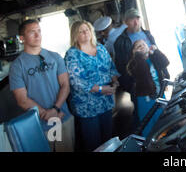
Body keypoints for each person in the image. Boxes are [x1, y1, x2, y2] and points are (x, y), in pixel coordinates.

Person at [9, 19, 74, 152]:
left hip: (63, 117)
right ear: (22, 38)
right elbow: (22, 100)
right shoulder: (17, 66)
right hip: (41, 124)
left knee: (65, 149)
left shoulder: (55, 57)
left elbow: (65, 84)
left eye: (39, 31)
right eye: (32, 32)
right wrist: (48, 114)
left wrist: (55, 109)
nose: (38, 35)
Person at [64, 20, 120, 152]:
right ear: (75, 35)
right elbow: (76, 81)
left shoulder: (100, 48)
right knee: (93, 143)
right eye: (81, 31)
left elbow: (111, 67)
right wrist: (101, 89)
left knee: (108, 140)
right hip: (87, 107)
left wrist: (115, 82)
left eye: (87, 30)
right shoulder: (72, 54)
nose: (85, 33)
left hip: (105, 102)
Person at [126, 39, 170, 137]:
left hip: (159, 94)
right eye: (138, 46)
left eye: (143, 44)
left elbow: (165, 63)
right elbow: (142, 70)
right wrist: (138, 56)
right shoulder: (134, 63)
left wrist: (156, 51)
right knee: (148, 123)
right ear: (134, 52)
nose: (142, 46)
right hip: (145, 98)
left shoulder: (153, 57)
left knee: (163, 119)